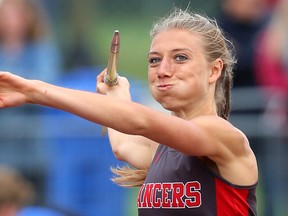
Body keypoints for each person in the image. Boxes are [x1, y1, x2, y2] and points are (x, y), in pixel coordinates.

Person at [0, 8, 258, 215]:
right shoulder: (162, 151)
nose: (163, 69)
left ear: (214, 70)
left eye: (180, 57)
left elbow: (138, 122)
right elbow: (124, 144)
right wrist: (118, 94)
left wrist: (34, 91)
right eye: (154, 60)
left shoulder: (223, 136)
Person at [0, 0, 62, 83]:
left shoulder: (41, 50)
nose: (11, 22)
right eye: (6, 16)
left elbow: (47, 81)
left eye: (16, 16)